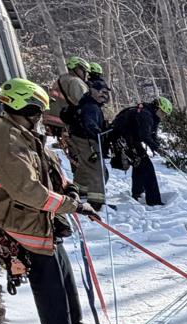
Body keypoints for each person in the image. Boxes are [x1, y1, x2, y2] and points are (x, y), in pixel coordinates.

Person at [0, 78, 102, 324]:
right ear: (24, 108)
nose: (40, 116)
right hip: (16, 216)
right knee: (48, 276)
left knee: (62, 268)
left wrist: (68, 186)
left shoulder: (17, 129)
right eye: (37, 111)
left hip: (33, 213)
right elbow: (27, 191)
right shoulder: (4, 140)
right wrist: (71, 206)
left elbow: (45, 161)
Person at [110, 96, 171, 206]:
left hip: (130, 139)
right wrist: (156, 148)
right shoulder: (146, 115)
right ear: (157, 108)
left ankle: (137, 192)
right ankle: (154, 200)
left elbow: (152, 134)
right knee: (147, 167)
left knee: (140, 163)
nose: (163, 116)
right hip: (124, 139)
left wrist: (158, 146)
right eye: (163, 113)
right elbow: (145, 135)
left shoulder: (151, 115)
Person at [68, 79, 110, 210]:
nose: (105, 95)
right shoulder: (91, 107)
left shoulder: (86, 103)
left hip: (78, 139)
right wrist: (98, 133)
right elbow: (89, 124)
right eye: (102, 92)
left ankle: (79, 190)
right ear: (93, 91)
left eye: (106, 93)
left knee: (85, 166)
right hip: (87, 141)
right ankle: (96, 202)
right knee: (97, 170)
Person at [43, 56, 90, 139]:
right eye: (84, 71)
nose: (85, 74)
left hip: (52, 119)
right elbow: (84, 104)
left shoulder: (62, 79)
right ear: (77, 69)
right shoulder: (76, 82)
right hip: (65, 123)